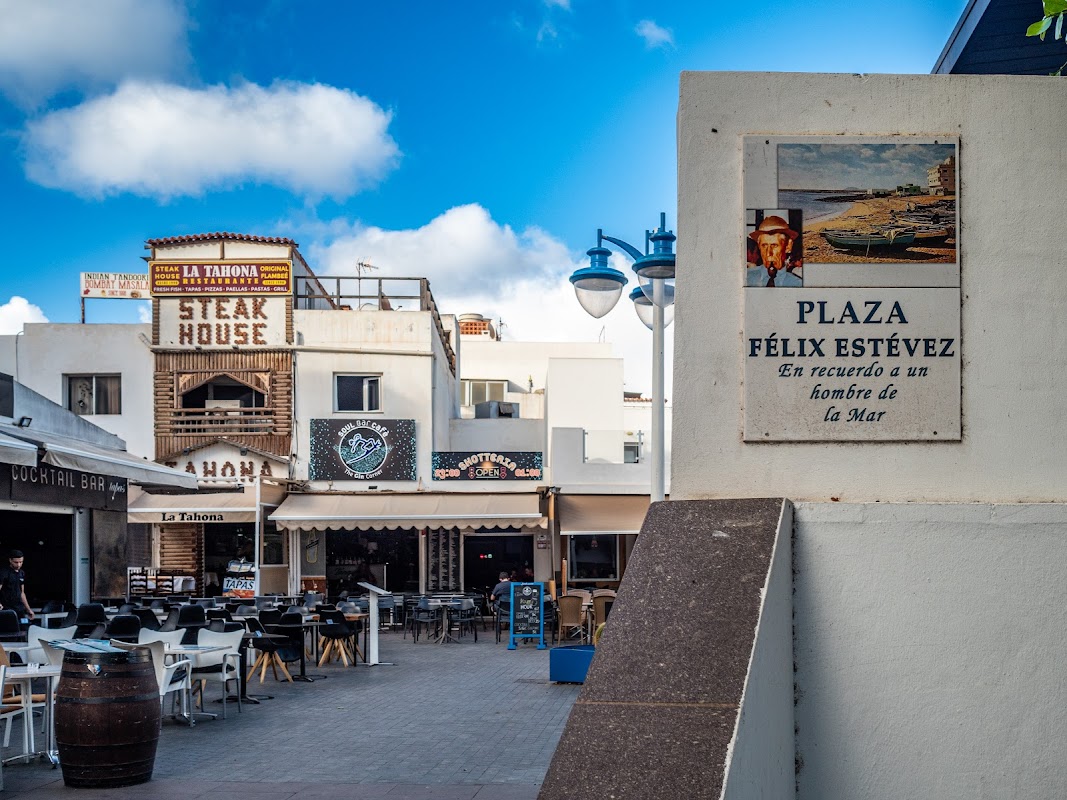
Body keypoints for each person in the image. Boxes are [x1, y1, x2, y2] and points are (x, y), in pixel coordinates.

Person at [746, 215, 802, 287]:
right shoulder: (746, 278)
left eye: (774, 245)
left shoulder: (797, 284)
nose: (769, 253)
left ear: (788, 246)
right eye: (764, 245)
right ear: (759, 246)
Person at [0, 550, 33, 621]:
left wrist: (28, 609)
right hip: (7, 608)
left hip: (20, 608)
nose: (18, 565)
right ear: (10, 560)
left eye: (21, 562)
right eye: (16, 562)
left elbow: (22, 593)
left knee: (23, 628)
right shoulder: (4, 572)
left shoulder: (21, 573)